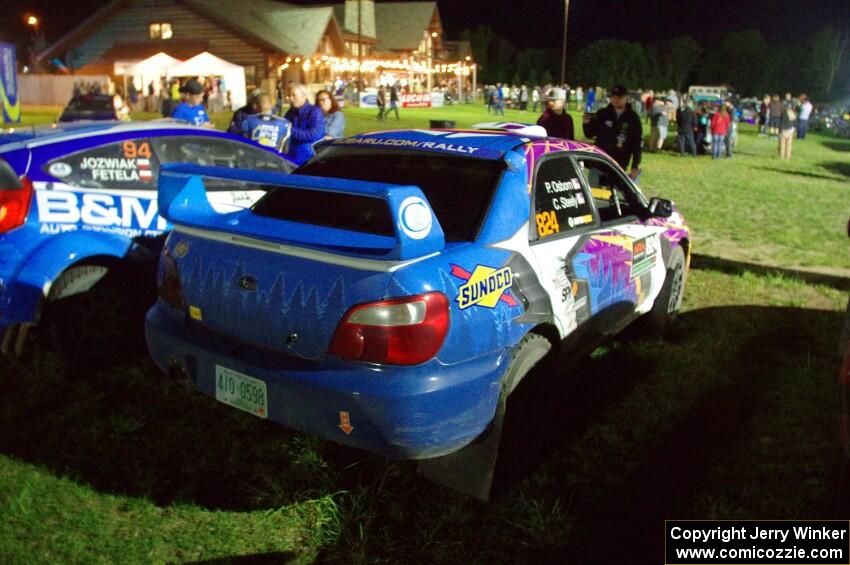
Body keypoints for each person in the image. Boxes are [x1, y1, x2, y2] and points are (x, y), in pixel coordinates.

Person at [582, 84, 642, 179]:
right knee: (594, 192)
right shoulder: (603, 113)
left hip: (619, 165)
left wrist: (635, 165)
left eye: (620, 97)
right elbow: (589, 134)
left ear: (626, 98)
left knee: (615, 193)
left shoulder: (633, 118)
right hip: (599, 162)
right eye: (613, 97)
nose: (616, 100)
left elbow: (637, 143)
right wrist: (586, 123)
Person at [284, 83, 325, 165]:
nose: (290, 98)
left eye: (293, 95)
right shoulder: (290, 112)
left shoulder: (314, 111)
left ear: (304, 96)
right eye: (289, 95)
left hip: (309, 159)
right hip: (291, 157)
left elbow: (313, 135)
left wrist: (289, 129)